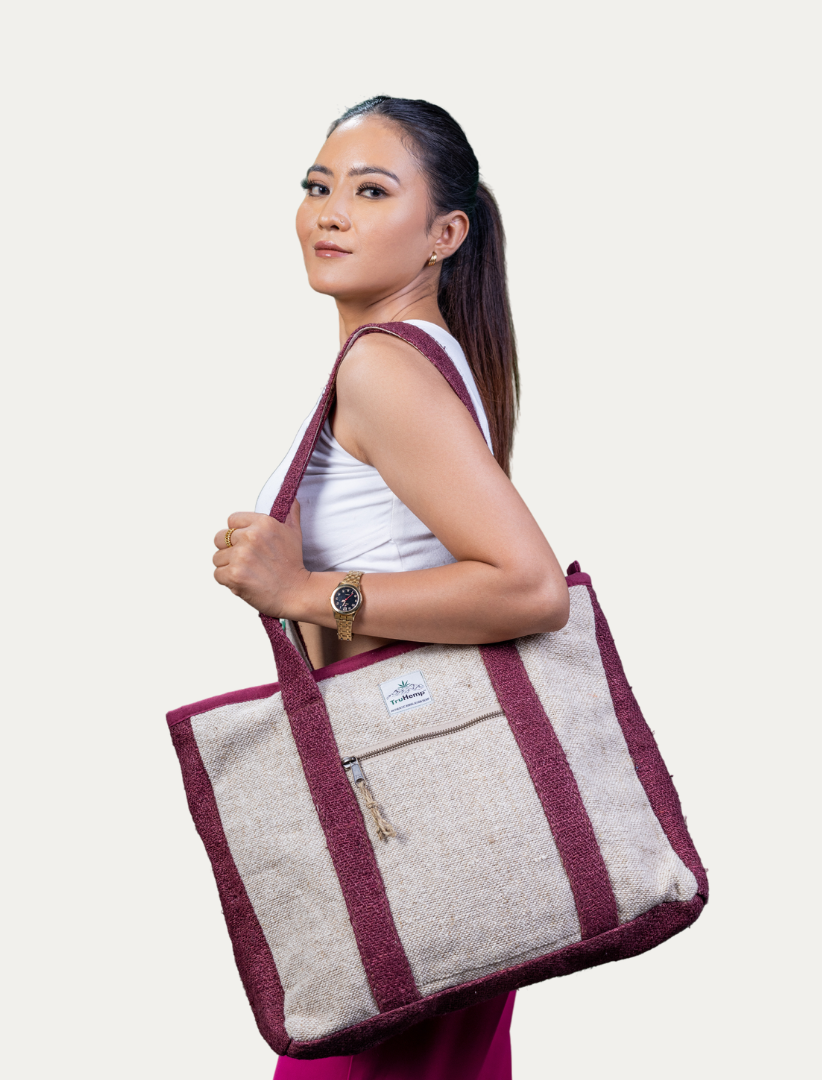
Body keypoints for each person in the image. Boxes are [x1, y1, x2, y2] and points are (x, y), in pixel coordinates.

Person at [211, 96, 568, 1080]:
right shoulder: (420, 357)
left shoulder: (384, 371)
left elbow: (531, 590)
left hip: (415, 826)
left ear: (444, 233)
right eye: (318, 187)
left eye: (371, 191)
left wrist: (310, 589)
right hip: (433, 818)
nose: (331, 212)